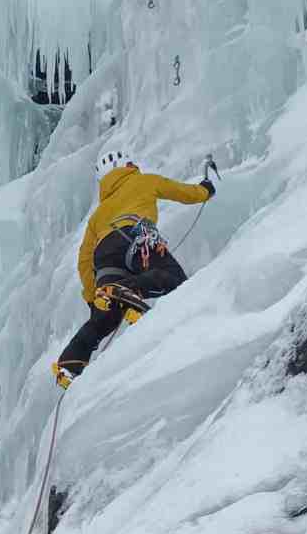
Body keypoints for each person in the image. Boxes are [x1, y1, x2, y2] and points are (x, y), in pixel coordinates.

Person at [52, 147, 217, 389]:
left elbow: (84, 260)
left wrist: (92, 298)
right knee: (174, 278)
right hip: (135, 235)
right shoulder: (143, 181)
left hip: (104, 255)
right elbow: (181, 192)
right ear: (127, 165)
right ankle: (126, 290)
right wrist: (205, 190)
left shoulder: (98, 215)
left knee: (104, 319)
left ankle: (68, 364)